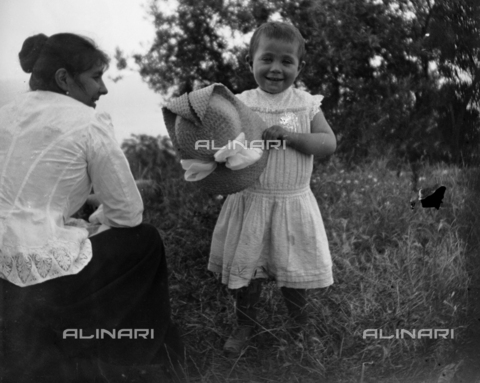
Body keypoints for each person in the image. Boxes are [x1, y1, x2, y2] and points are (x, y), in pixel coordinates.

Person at [0, 33, 184, 382]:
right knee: (144, 240)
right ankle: (127, 356)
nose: (104, 89)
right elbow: (128, 213)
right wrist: (94, 222)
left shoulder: (5, 113)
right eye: (96, 77)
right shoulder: (87, 122)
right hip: (39, 276)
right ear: (64, 79)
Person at [208, 21, 337, 357]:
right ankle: (244, 326)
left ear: (298, 66)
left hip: (292, 202)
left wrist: (293, 136)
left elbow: (327, 143)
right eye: (266, 59)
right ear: (250, 62)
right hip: (252, 199)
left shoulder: (305, 105)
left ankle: (298, 327)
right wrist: (223, 153)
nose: (276, 69)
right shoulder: (239, 102)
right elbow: (222, 144)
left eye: (286, 61)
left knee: (292, 273)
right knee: (249, 274)